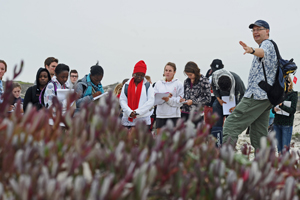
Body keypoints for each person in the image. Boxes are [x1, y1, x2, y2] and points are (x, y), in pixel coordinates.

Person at [223, 20, 277, 151]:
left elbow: (262, 52)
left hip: (257, 95)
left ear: (267, 31)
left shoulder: (267, 44)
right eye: (253, 30)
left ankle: (225, 161)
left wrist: (251, 50)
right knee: (258, 134)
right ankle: (265, 165)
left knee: (231, 124)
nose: (256, 32)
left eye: (259, 29)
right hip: (265, 97)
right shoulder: (266, 45)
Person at [119, 60, 154, 130]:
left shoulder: (147, 86)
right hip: (128, 117)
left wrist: (137, 112)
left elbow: (150, 101)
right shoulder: (126, 85)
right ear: (133, 73)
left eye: (142, 75)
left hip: (143, 118)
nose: (139, 77)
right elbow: (122, 100)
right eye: (137, 75)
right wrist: (129, 112)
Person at [210, 59, 245, 128]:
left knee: (232, 123)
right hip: (221, 99)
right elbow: (214, 88)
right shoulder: (214, 76)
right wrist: (218, 98)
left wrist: (237, 107)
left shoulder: (237, 80)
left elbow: (243, 94)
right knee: (215, 107)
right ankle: (217, 134)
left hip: (234, 99)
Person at [154, 62, 184, 134]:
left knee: (173, 140)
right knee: (160, 139)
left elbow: (180, 101)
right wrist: (163, 98)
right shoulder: (158, 83)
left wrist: (169, 100)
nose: (167, 72)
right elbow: (154, 99)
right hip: (160, 115)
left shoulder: (179, 84)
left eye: (170, 71)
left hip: (174, 115)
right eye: (166, 70)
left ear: (174, 72)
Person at [272, 76, 297, 154]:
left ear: (291, 83)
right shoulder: (279, 93)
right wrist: (274, 109)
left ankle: (286, 165)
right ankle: (281, 165)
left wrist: (282, 105)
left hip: (287, 125)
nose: (287, 84)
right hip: (277, 123)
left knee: (285, 149)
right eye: (285, 82)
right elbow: (273, 108)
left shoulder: (293, 94)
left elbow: (293, 110)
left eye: (288, 82)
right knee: (279, 148)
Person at [180, 61, 211, 126]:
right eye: (187, 74)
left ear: (195, 72)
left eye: (190, 75)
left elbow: (207, 98)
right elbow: (185, 94)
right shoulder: (186, 81)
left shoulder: (204, 81)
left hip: (197, 113)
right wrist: (183, 100)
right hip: (185, 112)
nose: (189, 76)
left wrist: (193, 101)